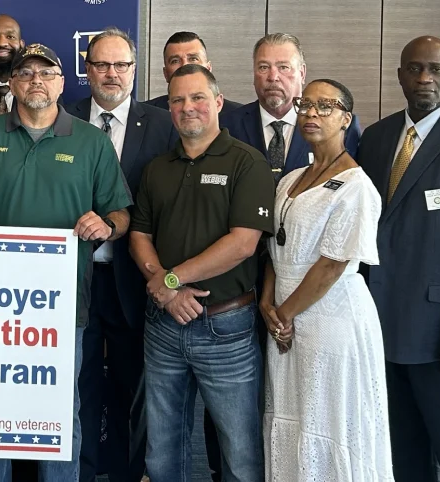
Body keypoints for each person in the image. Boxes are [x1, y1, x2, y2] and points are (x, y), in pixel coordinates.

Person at [0, 43, 133, 482]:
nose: (36, 79)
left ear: (61, 82)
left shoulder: (92, 142)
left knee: (57, 409)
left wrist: (105, 226)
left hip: (62, 304)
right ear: (11, 83)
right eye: (25, 72)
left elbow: (122, 215)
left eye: (46, 72)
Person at [129, 64, 274, 482]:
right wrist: (165, 288)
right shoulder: (158, 168)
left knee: (241, 453)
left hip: (225, 327)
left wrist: (172, 280)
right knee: (162, 450)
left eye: (197, 98)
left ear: (218, 103)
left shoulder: (248, 162)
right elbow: (140, 234)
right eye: (177, 100)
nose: (187, 107)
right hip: (163, 324)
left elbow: (243, 244)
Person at [261, 79, 393, 480]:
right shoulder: (290, 179)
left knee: (328, 420)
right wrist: (268, 304)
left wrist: (283, 314)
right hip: (283, 320)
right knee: (292, 416)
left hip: (331, 319)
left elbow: (333, 264)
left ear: (346, 119)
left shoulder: (357, 186)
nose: (312, 113)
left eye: (326, 106)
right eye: (306, 105)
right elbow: (273, 248)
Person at [64, 27, 177, 482]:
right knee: (78, 387)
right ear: (86, 69)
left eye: (121, 65)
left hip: (136, 278)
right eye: (101, 65)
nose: (111, 74)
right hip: (75, 278)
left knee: (138, 389)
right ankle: (82, 473)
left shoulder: (164, 124)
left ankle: (134, 475)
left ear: (135, 69)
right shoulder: (60, 116)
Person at [357, 35, 440, 482]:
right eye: (415, 68)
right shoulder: (375, 138)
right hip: (379, 325)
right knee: (400, 455)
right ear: (399, 76)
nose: (425, 78)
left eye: (436, 69)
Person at [223, 33, 362, 184]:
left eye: (283, 67)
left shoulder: (339, 127)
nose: (273, 77)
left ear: (302, 73)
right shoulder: (227, 126)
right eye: (264, 67)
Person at [145, 31, 243, 113]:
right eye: (175, 61)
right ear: (165, 73)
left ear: (208, 69)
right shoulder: (147, 113)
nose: (185, 66)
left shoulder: (238, 116)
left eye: (193, 58)